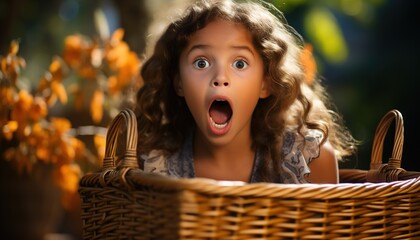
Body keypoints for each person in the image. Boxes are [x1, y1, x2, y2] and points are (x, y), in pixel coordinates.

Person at [134, 0, 358, 184]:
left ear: (266, 83)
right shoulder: (152, 166)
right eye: (201, 63)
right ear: (178, 82)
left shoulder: (309, 162)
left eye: (239, 64)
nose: (220, 78)